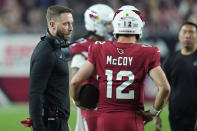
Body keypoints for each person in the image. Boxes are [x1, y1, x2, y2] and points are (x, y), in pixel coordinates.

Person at [70, 6, 170, 131]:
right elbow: (165, 87)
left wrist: (77, 102)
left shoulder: (99, 48)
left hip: (104, 120)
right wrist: (154, 112)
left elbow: (74, 82)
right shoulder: (148, 52)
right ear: (139, 27)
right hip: (132, 119)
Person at [70, 4, 114, 131]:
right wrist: (78, 100)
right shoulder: (82, 47)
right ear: (96, 24)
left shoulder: (114, 44)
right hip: (92, 104)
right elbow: (75, 79)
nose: (111, 27)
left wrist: (76, 100)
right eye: (107, 24)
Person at [29, 5, 73, 131]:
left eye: (71, 23)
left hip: (58, 123)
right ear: (52, 24)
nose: (71, 28)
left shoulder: (55, 48)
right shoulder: (45, 52)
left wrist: (64, 122)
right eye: (66, 24)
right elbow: (35, 94)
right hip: (50, 125)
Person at [161, 21, 197, 131]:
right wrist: (157, 115)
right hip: (176, 116)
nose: (187, 35)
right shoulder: (170, 60)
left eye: (191, 32)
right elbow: (162, 89)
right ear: (179, 36)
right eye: (184, 32)